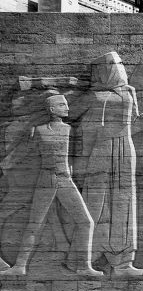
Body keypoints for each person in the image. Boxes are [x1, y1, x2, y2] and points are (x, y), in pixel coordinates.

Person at [0, 92, 102, 277]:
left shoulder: (70, 130)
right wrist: (6, 165)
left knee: (86, 222)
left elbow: (74, 157)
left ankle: (84, 266)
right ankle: (20, 266)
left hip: (65, 180)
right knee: (35, 224)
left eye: (67, 104)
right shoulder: (38, 131)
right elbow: (23, 154)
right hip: (46, 179)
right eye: (62, 105)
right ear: (52, 109)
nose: (67, 107)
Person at [70, 52, 143, 276]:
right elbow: (70, 114)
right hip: (100, 149)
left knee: (124, 202)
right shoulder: (93, 95)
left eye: (119, 63)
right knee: (96, 201)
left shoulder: (129, 92)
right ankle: (84, 258)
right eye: (112, 64)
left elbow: (136, 120)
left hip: (125, 148)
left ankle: (122, 262)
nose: (118, 67)